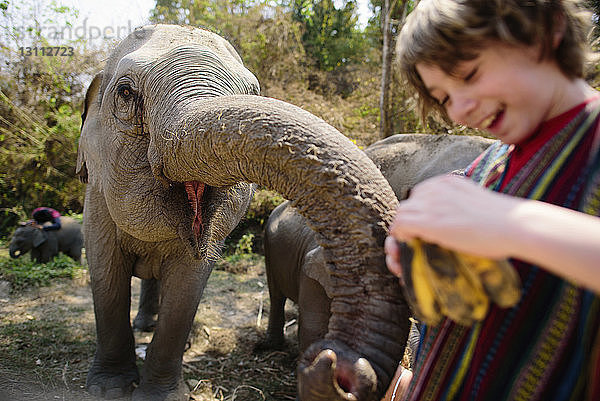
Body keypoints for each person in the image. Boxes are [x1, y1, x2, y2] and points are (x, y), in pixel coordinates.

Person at [383, 0, 600, 400]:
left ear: (545, 29)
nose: (461, 111)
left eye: (470, 74)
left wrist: (512, 224)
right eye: (443, 98)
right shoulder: (486, 168)